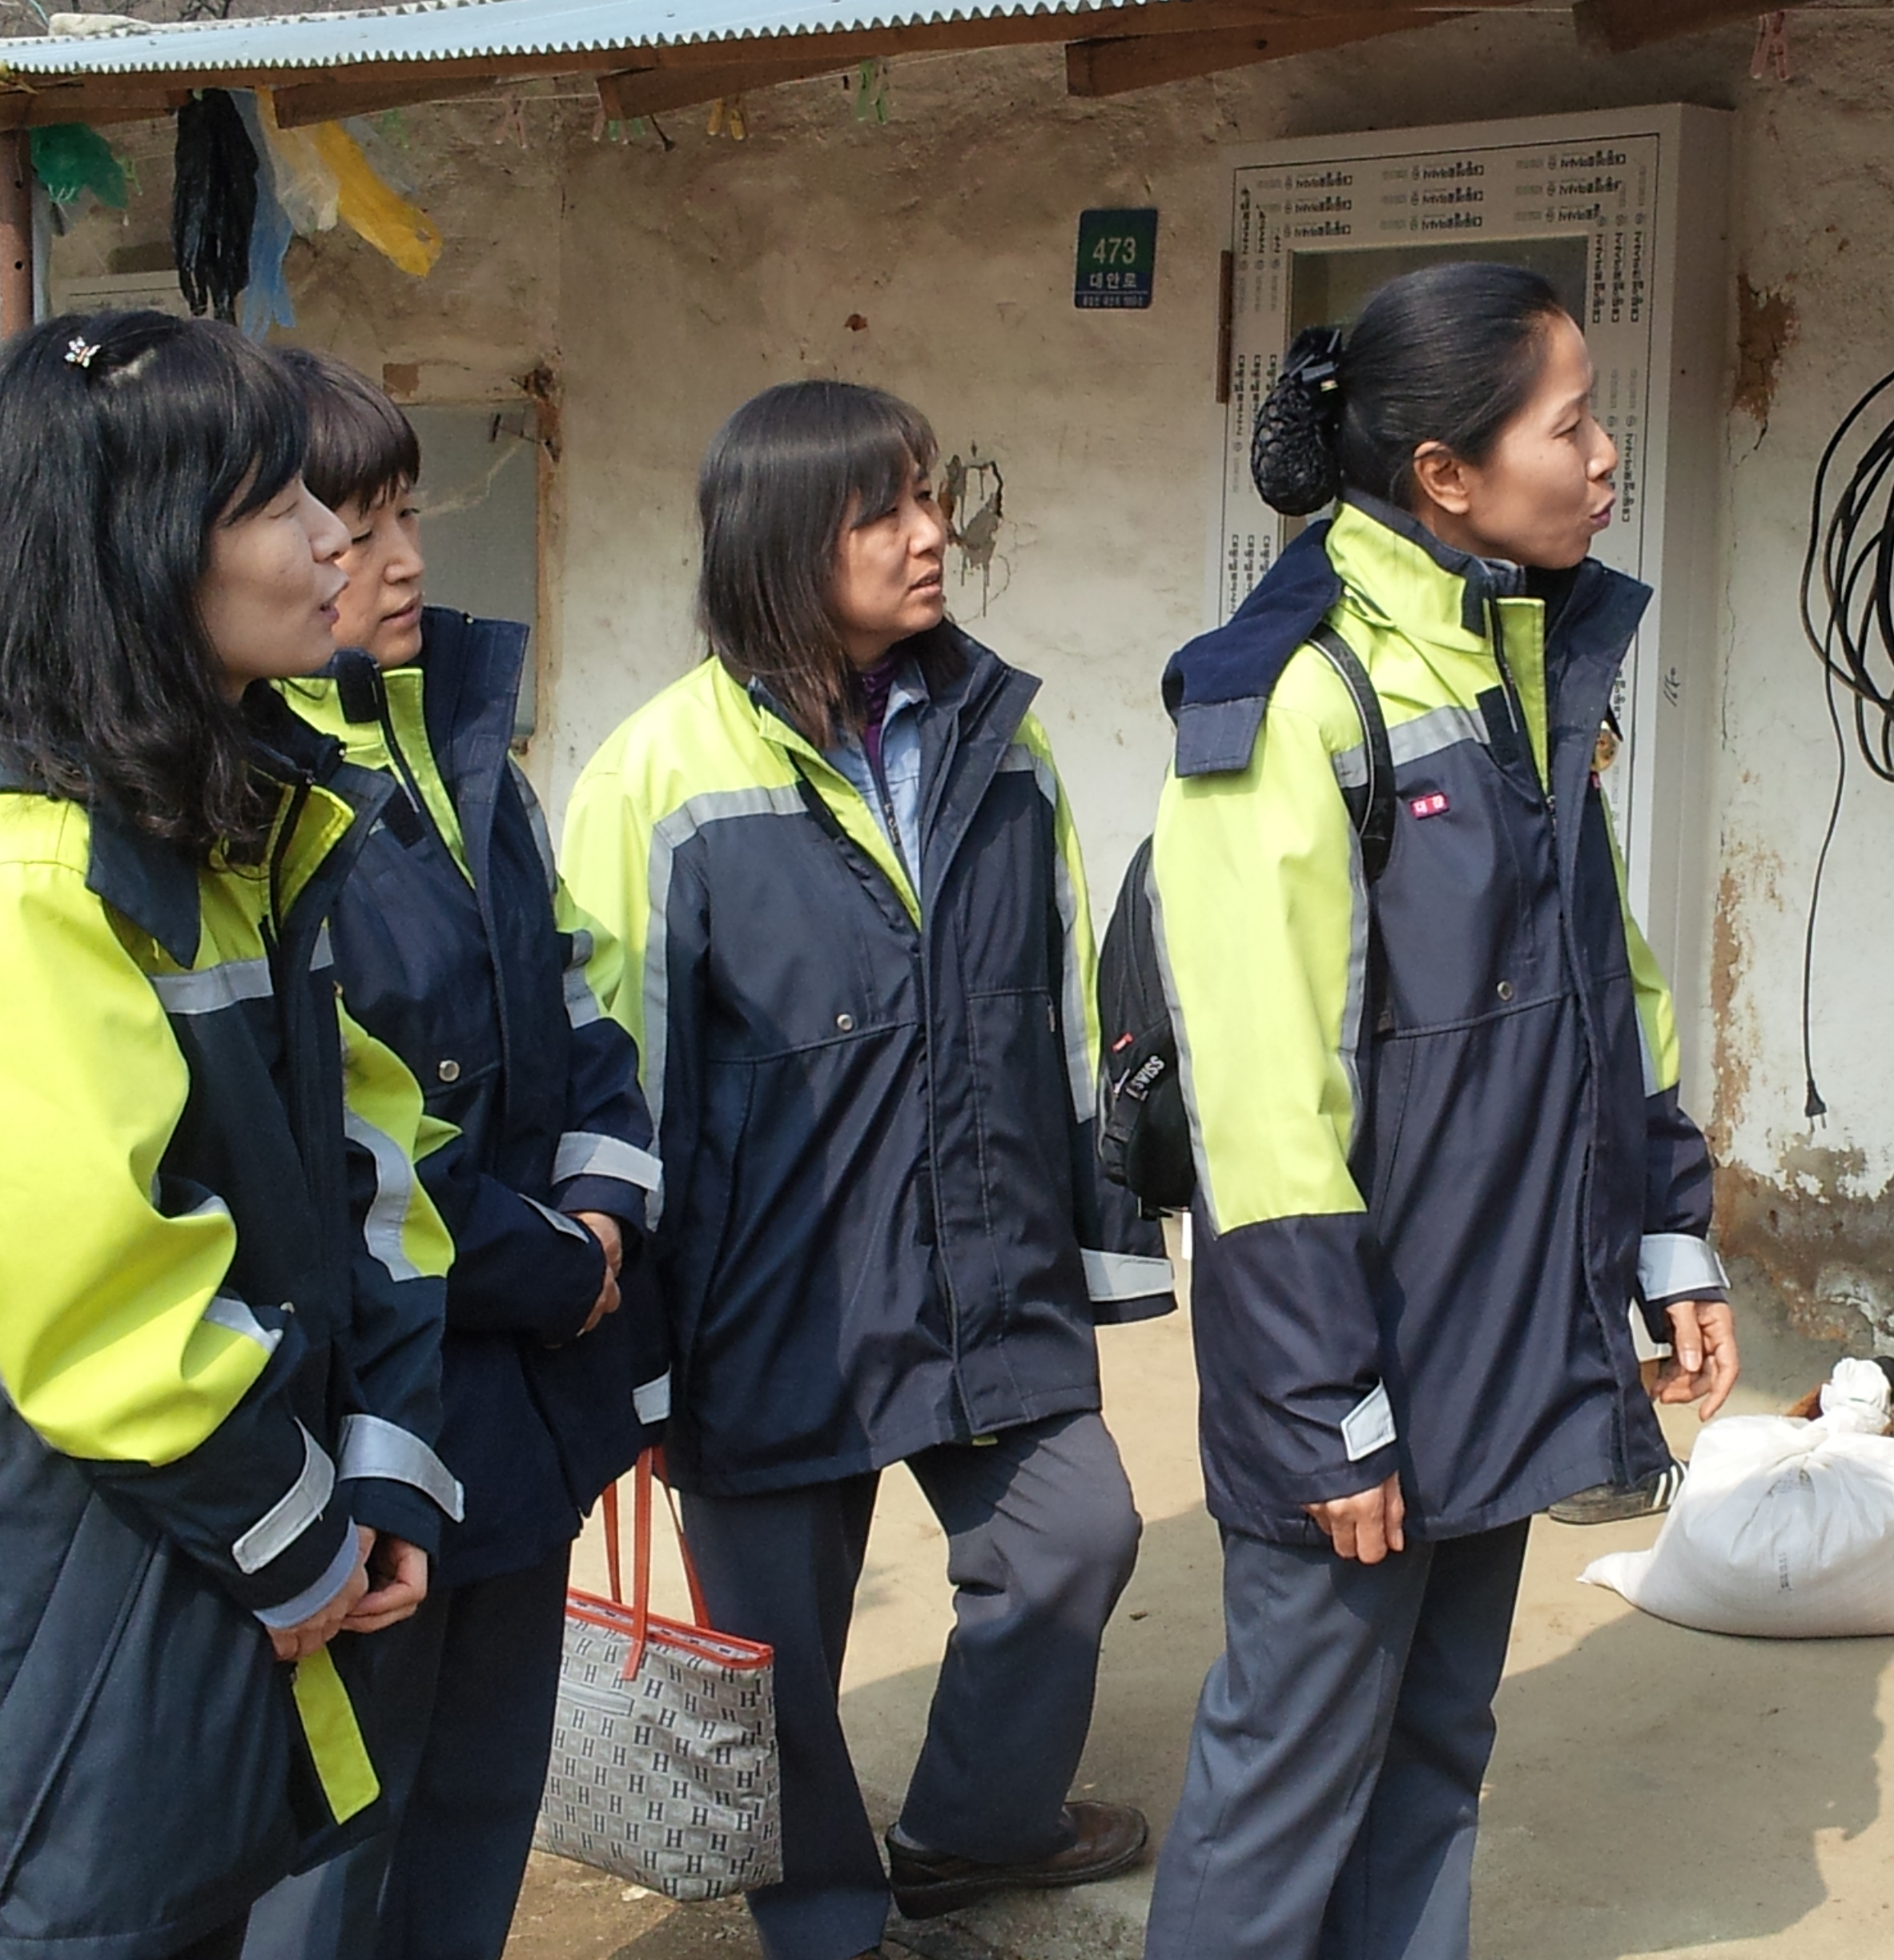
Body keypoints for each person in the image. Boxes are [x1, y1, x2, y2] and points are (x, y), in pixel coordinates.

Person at [1139, 262, 1739, 1960]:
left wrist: (1665, 1231)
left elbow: (1609, 980)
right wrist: (1321, 1398)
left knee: (1434, 1750)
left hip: (1499, 1316)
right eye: (1572, 424)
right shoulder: (1294, 694)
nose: (1607, 457)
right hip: (1359, 1342)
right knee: (1291, 1770)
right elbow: (1261, 1094)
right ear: (1445, 475)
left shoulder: (1521, 651)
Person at [561, 380, 1169, 1960]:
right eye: (883, 510)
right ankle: (831, 1921)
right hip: (764, 1306)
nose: (930, 533)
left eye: (930, 495)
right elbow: (611, 1085)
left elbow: (1063, 1014)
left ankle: (974, 1828)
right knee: (778, 1663)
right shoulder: (659, 776)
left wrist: (1101, 1248)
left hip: (983, 1271)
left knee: (1074, 1538)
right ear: (780, 545)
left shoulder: (1005, 746)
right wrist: (628, 1356)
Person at [0, 312, 457, 1959]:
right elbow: (100, 1303)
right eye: (281, 505)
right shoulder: (44, 869)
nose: (339, 541)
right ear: (140, 549)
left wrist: (383, 1452)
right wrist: (296, 1535)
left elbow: (375, 1154)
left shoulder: (236, 821)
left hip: (209, 1574)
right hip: (96, 1602)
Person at [242, 351, 665, 1960]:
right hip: (379, 1399)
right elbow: (350, 1143)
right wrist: (552, 1265)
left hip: (524, 1396)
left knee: (482, 1799)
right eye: (354, 530)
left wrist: (605, 1202)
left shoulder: (473, 759)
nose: (402, 562)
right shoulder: (253, 799)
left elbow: (579, 1008)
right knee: (342, 1847)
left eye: (407, 516)